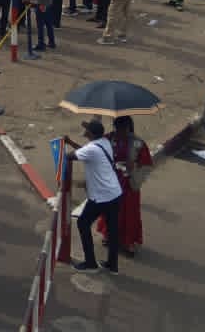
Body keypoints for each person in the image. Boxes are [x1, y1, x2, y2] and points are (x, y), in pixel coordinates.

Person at [65, 119, 122, 275]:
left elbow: (71, 156)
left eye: (87, 130)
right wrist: (71, 142)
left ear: (90, 133)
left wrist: (67, 146)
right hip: (115, 193)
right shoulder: (105, 142)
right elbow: (85, 151)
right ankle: (112, 265)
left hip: (101, 197)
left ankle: (90, 263)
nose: (85, 132)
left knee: (83, 223)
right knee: (112, 230)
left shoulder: (91, 149)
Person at [98, 117, 153, 257]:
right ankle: (108, 236)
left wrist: (133, 167)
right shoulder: (107, 139)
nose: (119, 133)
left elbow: (146, 165)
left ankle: (127, 243)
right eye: (117, 129)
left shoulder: (138, 144)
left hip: (129, 185)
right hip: (111, 182)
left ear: (128, 128)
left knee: (129, 214)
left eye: (123, 130)